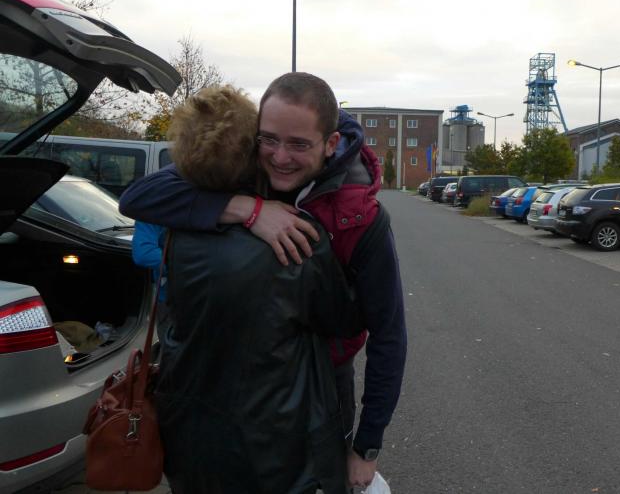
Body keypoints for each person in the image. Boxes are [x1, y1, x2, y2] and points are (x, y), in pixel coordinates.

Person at [119, 72, 406, 490]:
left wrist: (367, 447)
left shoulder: (360, 217)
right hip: (231, 382)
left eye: (299, 145)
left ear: (330, 143)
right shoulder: (247, 169)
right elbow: (138, 197)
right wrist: (246, 209)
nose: (280, 157)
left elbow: (388, 335)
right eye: (269, 139)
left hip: (320, 390)